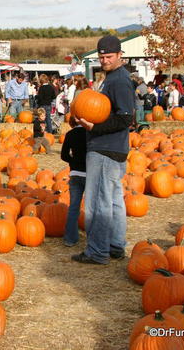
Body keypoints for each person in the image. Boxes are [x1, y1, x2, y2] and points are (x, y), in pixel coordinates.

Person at [72, 35, 134, 265]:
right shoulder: (112, 78)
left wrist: (94, 127)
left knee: (98, 202)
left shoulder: (119, 81)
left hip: (106, 149)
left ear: (120, 55)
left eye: (109, 56)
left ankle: (97, 251)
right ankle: (115, 245)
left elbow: (126, 118)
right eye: (101, 57)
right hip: (113, 149)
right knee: (114, 199)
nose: (105, 60)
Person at [61, 116, 86, 247]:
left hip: (75, 173)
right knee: (92, 208)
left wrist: (73, 161)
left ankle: (70, 238)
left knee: (74, 206)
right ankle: (93, 237)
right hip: (90, 173)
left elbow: (64, 155)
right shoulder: (91, 133)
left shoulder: (70, 134)